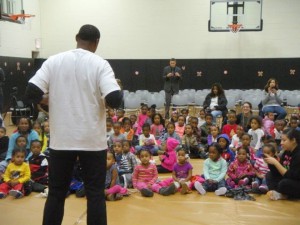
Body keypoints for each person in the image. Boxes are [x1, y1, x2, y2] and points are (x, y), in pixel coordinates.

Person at [25, 24, 122, 225]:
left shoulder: (54, 61)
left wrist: (48, 99)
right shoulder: (100, 64)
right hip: (92, 142)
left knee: (56, 193)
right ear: (96, 42)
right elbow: (114, 98)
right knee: (95, 194)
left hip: (62, 141)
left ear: (76, 37)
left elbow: (31, 92)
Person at [265, 128, 300, 200]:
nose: (281, 143)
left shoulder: (298, 154)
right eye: (281, 140)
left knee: (284, 183)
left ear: (293, 140)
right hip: (289, 179)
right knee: (269, 175)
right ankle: (280, 193)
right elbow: (278, 172)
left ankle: (285, 195)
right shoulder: (287, 152)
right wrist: (271, 163)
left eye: (284, 140)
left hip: (296, 181)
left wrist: (276, 163)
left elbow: (292, 176)